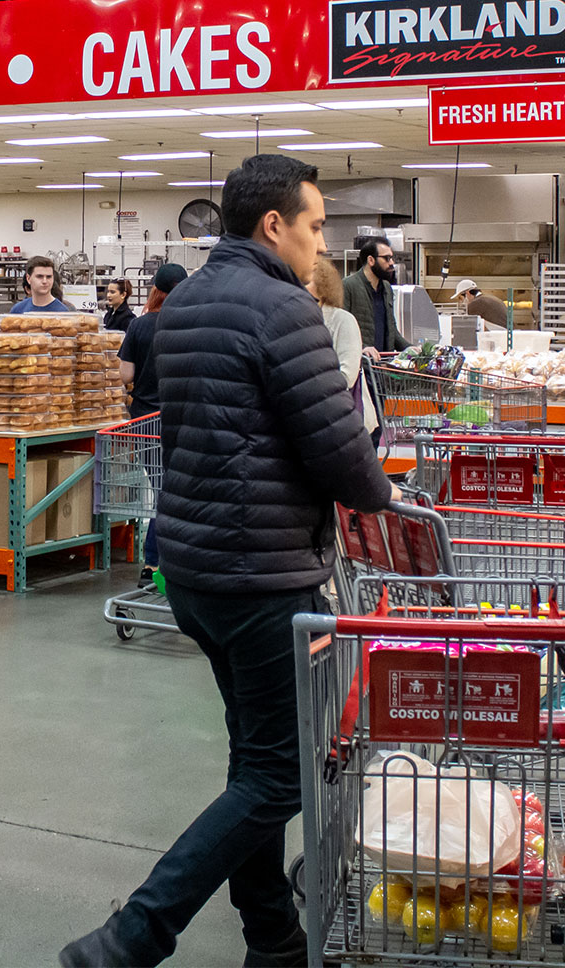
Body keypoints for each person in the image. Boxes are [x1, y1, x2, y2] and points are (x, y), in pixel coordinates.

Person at [60, 154, 399, 968]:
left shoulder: (186, 305)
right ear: (274, 224)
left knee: (255, 760)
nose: (323, 245)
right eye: (316, 226)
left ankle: (272, 940)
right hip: (264, 572)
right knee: (280, 780)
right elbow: (339, 453)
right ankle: (131, 938)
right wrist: (383, 491)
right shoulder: (284, 311)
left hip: (196, 570)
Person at [117, 263, 188, 582]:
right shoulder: (192, 325)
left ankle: (154, 563)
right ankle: (161, 562)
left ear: (155, 290)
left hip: (145, 420)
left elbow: (125, 375)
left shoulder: (140, 326)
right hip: (182, 420)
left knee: (161, 491)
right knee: (176, 493)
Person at [307, 256, 373, 433]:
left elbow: (347, 376)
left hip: (346, 423)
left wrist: (309, 392)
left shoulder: (342, 320)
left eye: (306, 280)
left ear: (323, 287)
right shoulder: (298, 322)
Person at [342, 236, 409, 357]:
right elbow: (341, 328)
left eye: (392, 258)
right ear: (371, 260)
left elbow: (391, 329)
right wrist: (362, 348)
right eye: (387, 258)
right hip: (361, 364)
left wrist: (409, 348)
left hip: (381, 365)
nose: (391, 263)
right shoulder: (348, 285)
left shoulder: (386, 287)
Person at [7, 255, 73, 314]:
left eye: (49, 277)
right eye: (39, 276)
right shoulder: (18, 310)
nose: (45, 281)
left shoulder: (62, 312)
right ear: (28, 279)